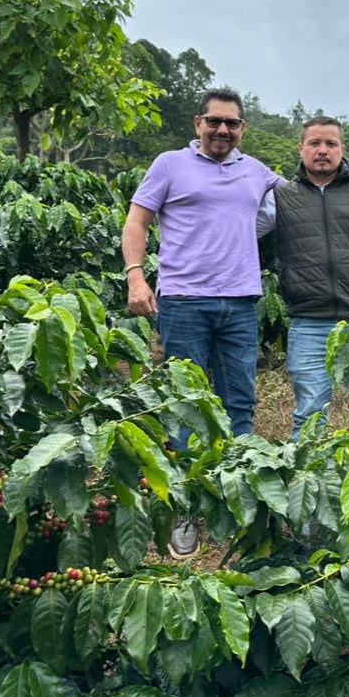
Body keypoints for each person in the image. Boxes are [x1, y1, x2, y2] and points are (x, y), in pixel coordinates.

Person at [122, 88, 280, 558]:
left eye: (231, 123)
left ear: (242, 130)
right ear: (198, 123)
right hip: (184, 301)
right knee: (185, 406)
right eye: (214, 121)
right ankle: (186, 508)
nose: (222, 130)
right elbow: (137, 222)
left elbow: (312, 184)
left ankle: (237, 504)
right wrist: (136, 277)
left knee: (240, 402)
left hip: (240, 303)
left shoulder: (256, 172)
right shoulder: (169, 165)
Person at [256, 116, 349, 439]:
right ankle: (313, 480)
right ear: (301, 148)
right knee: (309, 412)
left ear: (342, 149)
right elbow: (243, 232)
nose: (322, 150)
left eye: (330, 144)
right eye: (314, 143)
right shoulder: (280, 196)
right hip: (308, 321)